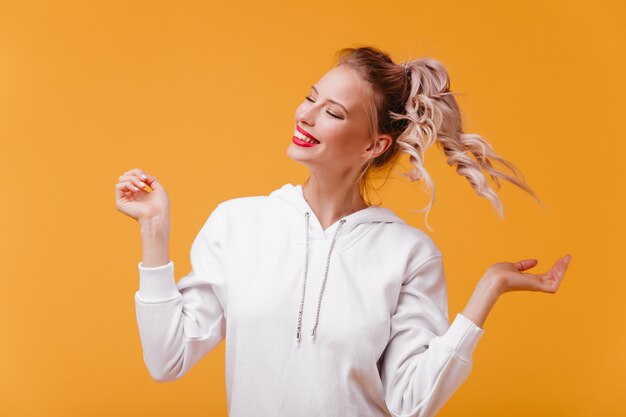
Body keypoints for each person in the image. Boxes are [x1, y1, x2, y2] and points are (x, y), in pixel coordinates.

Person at [115, 46, 572, 417]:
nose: (306, 115)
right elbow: (167, 359)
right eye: (310, 97)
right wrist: (154, 228)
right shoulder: (238, 224)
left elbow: (411, 402)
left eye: (332, 112)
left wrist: (486, 292)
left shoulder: (409, 254)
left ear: (375, 145)